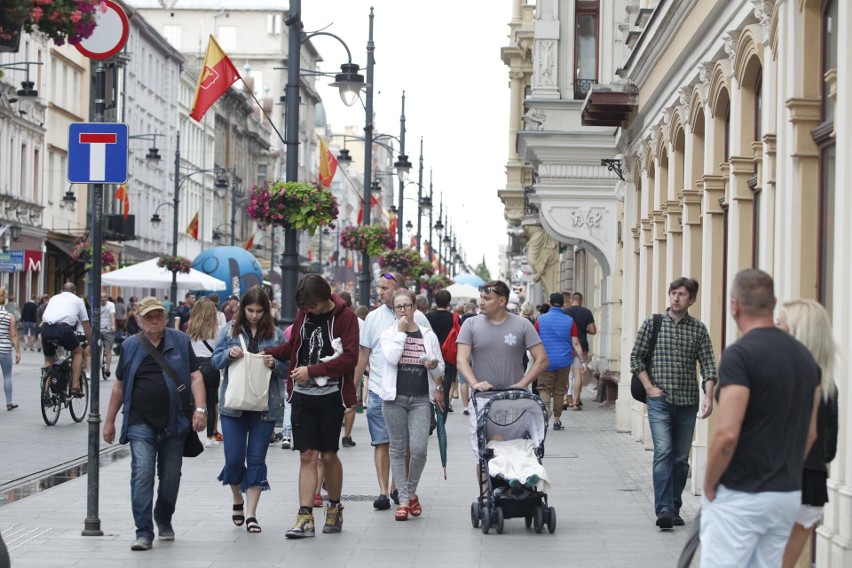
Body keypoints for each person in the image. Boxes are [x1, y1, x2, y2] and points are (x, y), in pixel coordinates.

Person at [701, 270, 821, 567]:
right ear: (774, 302)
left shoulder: (740, 355)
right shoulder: (805, 358)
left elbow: (727, 433)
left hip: (742, 492)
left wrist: (710, 482)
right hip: (786, 493)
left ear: (734, 306)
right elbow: (811, 433)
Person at [102, 296, 206, 551]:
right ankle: (143, 531)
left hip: (175, 420)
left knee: (171, 477)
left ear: (165, 316)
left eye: (158, 314)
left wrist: (200, 409)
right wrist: (109, 422)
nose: (154, 320)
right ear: (139, 320)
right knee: (142, 473)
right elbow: (118, 386)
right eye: (148, 316)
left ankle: (163, 516)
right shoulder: (130, 346)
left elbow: (195, 377)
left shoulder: (180, 341)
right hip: (140, 421)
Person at [265, 274, 359, 538]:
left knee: (328, 454)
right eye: (304, 307)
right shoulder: (304, 314)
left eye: (313, 306)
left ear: (326, 298)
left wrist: (313, 370)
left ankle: (334, 507)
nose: (308, 311)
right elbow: (294, 347)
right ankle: (304, 516)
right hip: (303, 396)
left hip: (331, 397)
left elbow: (350, 358)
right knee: (307, 455)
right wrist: (268, 353)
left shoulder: (345, 317)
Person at [629, 277, 717, 530]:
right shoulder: (653, 323)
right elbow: (636, 359)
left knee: (680, 459)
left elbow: (709, 365)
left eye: (682, 294)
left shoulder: (698, 329)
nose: (676, 298)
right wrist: (649, 388)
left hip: (688, 402)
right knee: (664, 452)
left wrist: (708, 396)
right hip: (660, 401)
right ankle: (664, 509)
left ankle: (675, 506)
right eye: (673, 293)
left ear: (692, 300)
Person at [352, 272, 432, 511]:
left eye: (386, 288)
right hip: (379, 389)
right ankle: (383, 491)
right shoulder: (373, 318)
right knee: (381, 442)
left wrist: (435, 387)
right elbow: (363, 354)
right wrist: (354, 387)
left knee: (406, 445)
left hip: (411, 391)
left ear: (400, 289)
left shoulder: (420, 319)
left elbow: (431, 350)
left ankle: (400, 488)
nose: (381, 292)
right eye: (380, 287)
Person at [211, 288, 285, 534]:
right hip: (233, 405)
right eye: (250, 310)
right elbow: (215, 361)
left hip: (264, 405)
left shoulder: (276, 335)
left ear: (266, 311)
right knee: (233, 458)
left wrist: (275, 363)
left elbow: (288, 369)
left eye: (259, 311)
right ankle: (237, 500)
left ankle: (252, 514)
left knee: (256, 459)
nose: (253, 315)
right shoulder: (230, 330)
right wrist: (229, 355)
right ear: (243, 309)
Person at [456, 281, 548, 462]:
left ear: (501, 301)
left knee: (519, 449)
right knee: (483, 454)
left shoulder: (522, 324)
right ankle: (486, 490)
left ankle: (518, 486)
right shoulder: (470, 324)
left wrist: (521, 384)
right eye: (481, 297)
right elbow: (461, 359)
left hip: (515, 399)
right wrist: (474, 383)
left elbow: (542, 359)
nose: (481, 302)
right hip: (482, 399)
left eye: (487, 298)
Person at [778, 300, 839, 568]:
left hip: (778, 482)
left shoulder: (783, 378)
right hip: (812, 485)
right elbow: (829, 448)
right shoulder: (827, 385)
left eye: (780, 324)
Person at [379, 288, 445, 520]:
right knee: (397, 449)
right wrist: (401, 332)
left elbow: (440, 368)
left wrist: (433, 366)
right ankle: (404, 502)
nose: (404, 310)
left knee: (419, 449)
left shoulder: (428, 335)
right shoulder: (389, 334)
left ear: (415, 308)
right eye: (399, 307)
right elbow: (392, 358)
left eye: (407, 306)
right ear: (394, 310)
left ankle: (411, 491)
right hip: (394, 398)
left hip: (420, 399)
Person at [534, 292, 583, 430]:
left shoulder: (541, 319)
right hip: (564, 361)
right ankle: (557, 420)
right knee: (559, 390)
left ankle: (544, 416)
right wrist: (582, 360)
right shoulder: (569, 321)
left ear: (550, 303)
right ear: (563, 304)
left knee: (544, 388)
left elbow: (534, 339)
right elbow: (575, 342)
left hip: (545, 361)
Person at [40, 282, 91, 396]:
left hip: (46, 329)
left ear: (62, 290)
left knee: (49, 360)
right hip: (63, 329)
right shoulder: (78, 300)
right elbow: (86, 325)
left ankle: (45, 392)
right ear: (75, 292)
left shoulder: (54, 298)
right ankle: (74, 386)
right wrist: (90, 342)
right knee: (78, 352)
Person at [187, 299, 224, 447]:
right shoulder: (217, 329)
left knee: (192, 402)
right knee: (211, 404)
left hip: (194, 366)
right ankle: (210, 437)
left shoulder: (191, 327)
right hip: (210, 366)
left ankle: (192, 433)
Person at [564, 292, 596, 409]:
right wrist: (583, 330)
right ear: (581, 300)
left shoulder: (565, 312)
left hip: (568, 347)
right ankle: (576, 402)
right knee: (578, 375)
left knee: (568, 374)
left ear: (571, 300)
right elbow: (593, 330)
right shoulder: (586, 312)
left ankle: (568, 399)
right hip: (581, 346)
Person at [426, 289, 456, 413]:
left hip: (430, 356)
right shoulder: (453, 318)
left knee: (428, 388)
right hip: (448, 356)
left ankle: (430, 419)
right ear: (449, 302)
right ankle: (441, 422)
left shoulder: (428, 316)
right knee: (445, 388)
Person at [338, 291, 359, 448]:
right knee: (351, 401)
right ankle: (347, 435)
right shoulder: (356, 320)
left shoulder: (331, 319)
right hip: (353, 365)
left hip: (334, 366)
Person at [0, 288, 21, 411]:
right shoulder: (9, 316)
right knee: (7, 376)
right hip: (5, 350)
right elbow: (13, 335)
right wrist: (18, 352)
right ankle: (9, 402)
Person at [99, 291, 117, 378]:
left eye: (105, 297)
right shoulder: (96, 305)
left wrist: (113, 325)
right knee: (94, 348)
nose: (103, 299)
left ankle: (108, 369)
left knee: (108, 350)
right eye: (101, 297)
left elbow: (112, 315)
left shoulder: (111, 305)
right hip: (98, 329)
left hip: (108, 329)